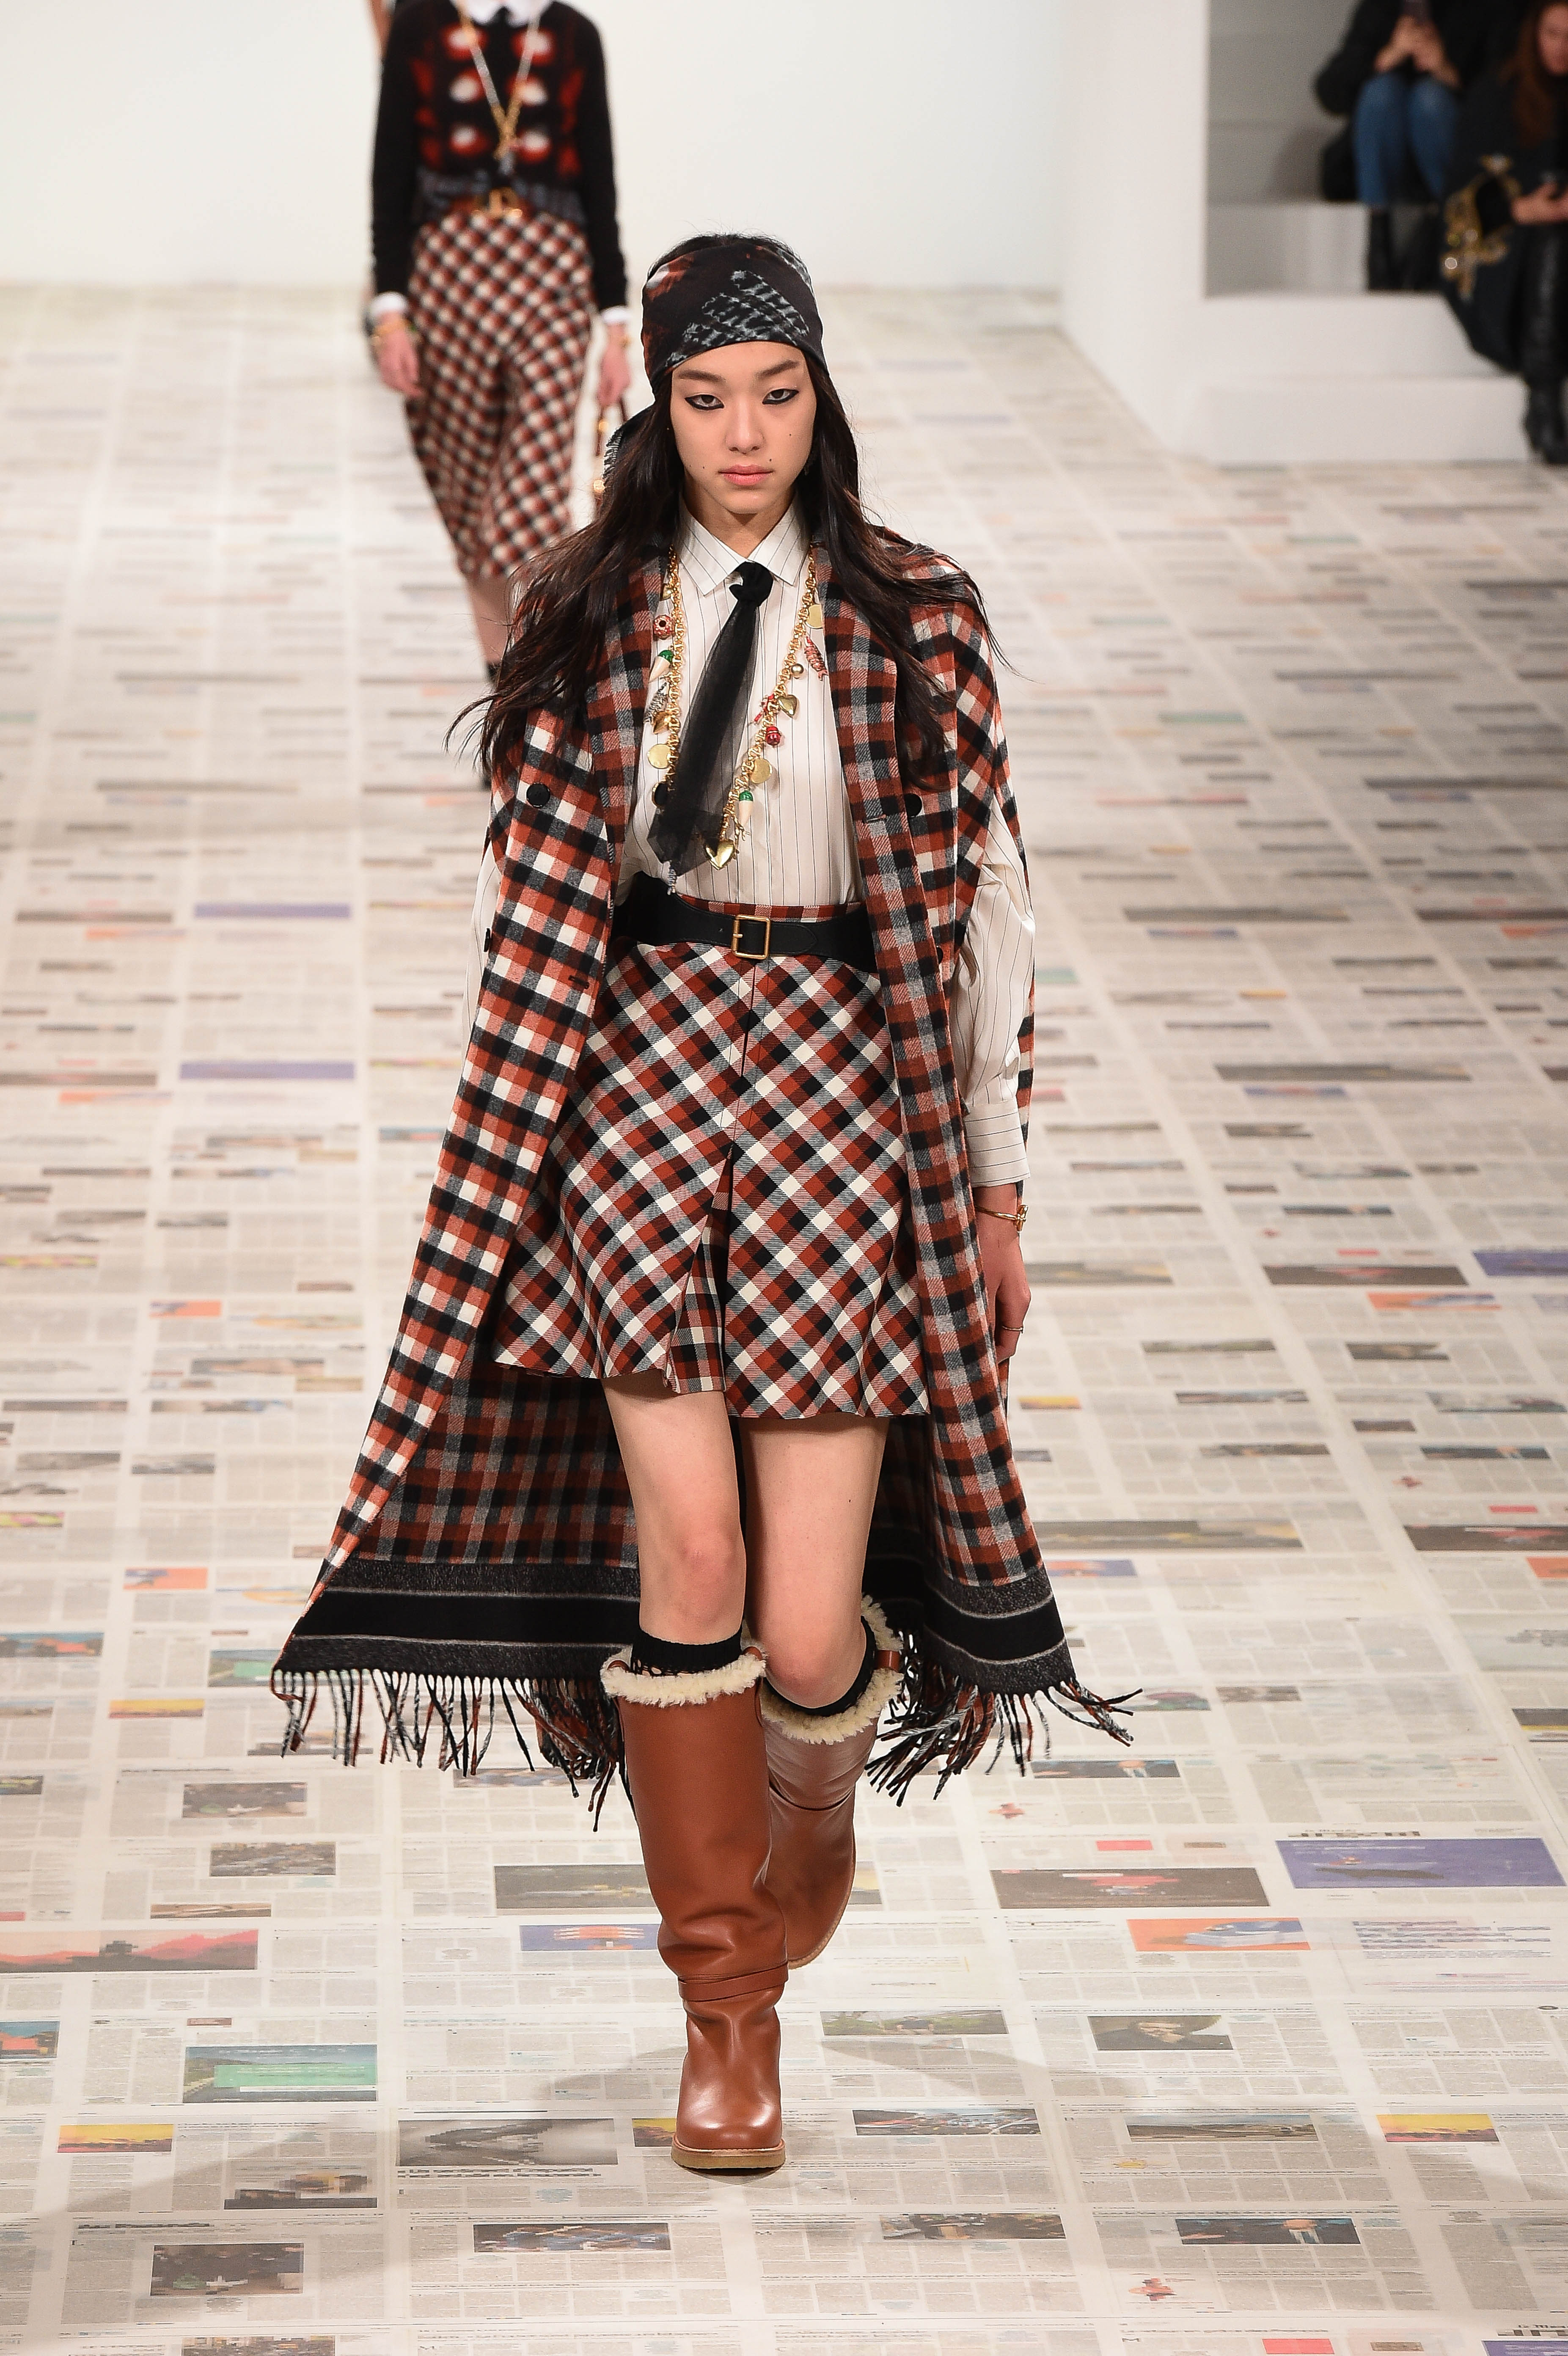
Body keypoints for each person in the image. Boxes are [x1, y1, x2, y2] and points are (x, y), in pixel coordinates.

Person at [272, 233, 1130, 2176]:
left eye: (776, 393)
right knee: (694, 1555)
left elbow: (986, 898)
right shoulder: (590, 610)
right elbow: (526, 892)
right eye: (706, 397)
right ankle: (723, 2012)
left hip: (840, 1088)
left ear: (822, 399)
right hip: (643, 1077)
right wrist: (513, 1142)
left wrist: (995, 1183)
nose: (743, 434)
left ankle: (809, 1798)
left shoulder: (916, 613)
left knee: (812, 1633)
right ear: (657, 410)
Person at [367, 1, 633, 673]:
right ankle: (505, 683)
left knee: (529, 495)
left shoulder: (572, 34)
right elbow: (390, 170)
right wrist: (390, 310)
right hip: (447, 276)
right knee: (469, 500)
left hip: (554, 277)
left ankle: (540, 677)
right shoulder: (421, 24)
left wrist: (615, 323)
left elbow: (599, 178)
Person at [1443, 2, 1568, 458]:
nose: (1561, 48)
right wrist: (1521, 209)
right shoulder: (1498, 94)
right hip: (1502, 247)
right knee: (1553, 242)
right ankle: (1543, 398)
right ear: (1534, 32)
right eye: (1552, 34)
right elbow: (1461, 192)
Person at [1315, 2, 1496, 286]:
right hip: (1386, 163)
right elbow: (1329, 92)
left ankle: (1447, 227)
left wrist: (1448, 71)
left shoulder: (1478, 11)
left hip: (1448, 159)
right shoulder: (1381, 9)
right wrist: (1385, 57)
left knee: (1429, 99)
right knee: (1382, 92)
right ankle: (1379, 243)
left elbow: (1506, 96)